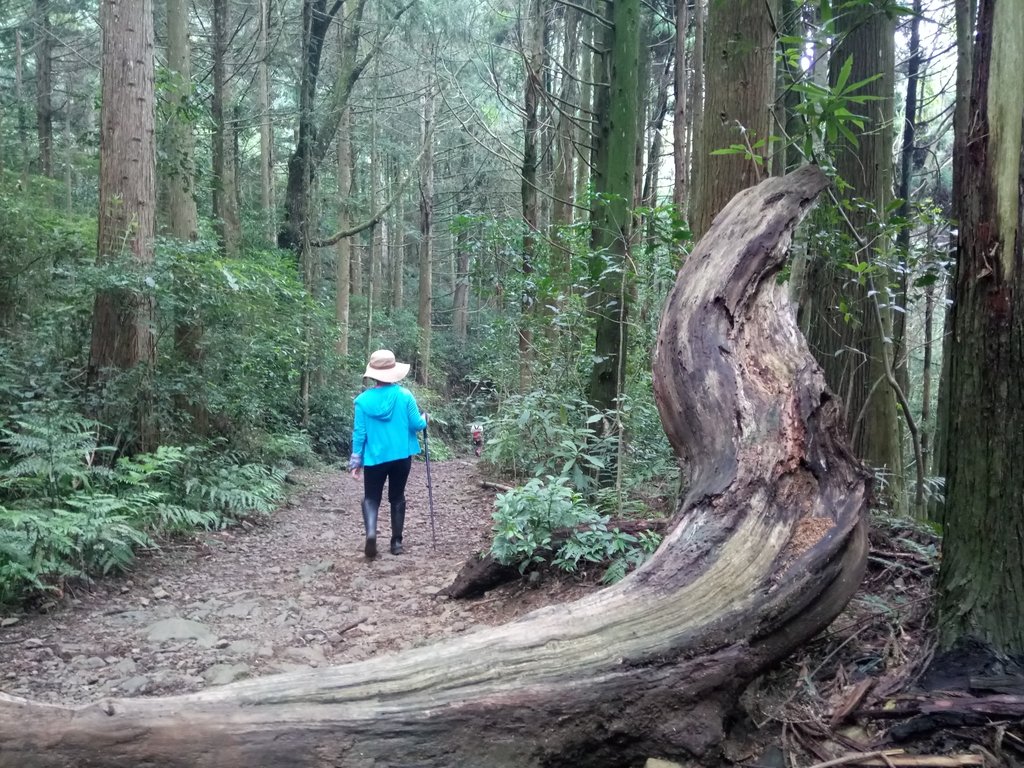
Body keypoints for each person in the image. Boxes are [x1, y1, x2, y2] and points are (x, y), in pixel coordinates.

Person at [349, 349, 427, 558]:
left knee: (371, 497)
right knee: (397, 496)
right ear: (393, 372)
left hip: (375, 458)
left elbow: (360, 433)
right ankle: (397, 543)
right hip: (401, 456)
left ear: (373, 373)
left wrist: (356, 461)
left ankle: (372, 533)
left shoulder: (362, 401)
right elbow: (417, 424)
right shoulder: (405, 395)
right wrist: (425, 418)